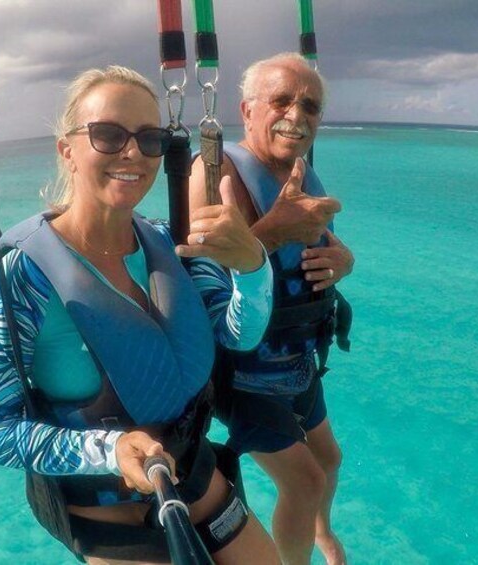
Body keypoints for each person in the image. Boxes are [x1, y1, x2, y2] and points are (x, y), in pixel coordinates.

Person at [0, 65, 280, 564]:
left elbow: (238, 333)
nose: (133, 152)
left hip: (195, 475)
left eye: (149, 138)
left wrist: (251, 266)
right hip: (105, 511)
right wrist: (108, 450)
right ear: (66, 149)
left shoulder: (168, 243)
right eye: (108, 135)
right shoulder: (24, 276)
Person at [189, 53, 354, 565]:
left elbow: (322, 247)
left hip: (301, 359)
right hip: (246, 372)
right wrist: (275, 227)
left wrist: (346, 260)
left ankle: (320, 532)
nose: (297, 115)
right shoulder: (216, 171)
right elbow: (205, 275)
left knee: (329, 460)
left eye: (310, 106)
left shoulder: (304, 174)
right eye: (282, 100)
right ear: (247, 109)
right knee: (303, 482)